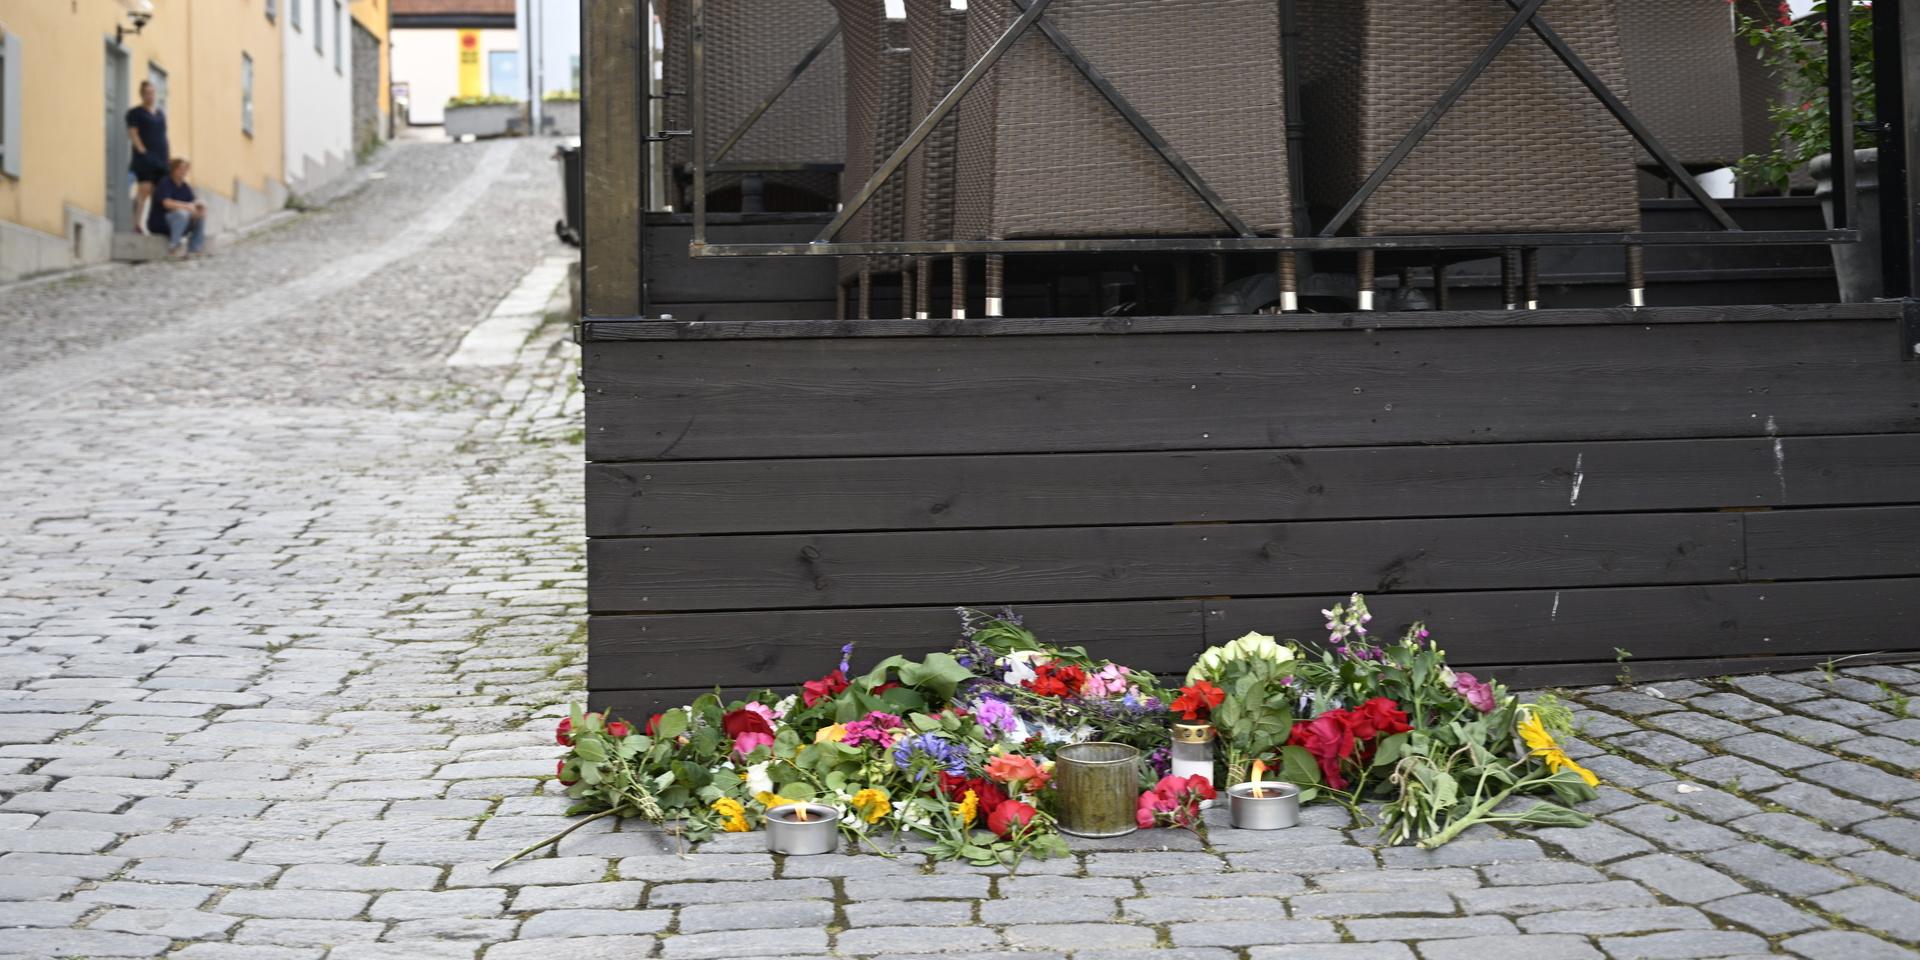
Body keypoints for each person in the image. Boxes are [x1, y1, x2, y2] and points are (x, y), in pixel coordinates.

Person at [126, 81, 170, 234]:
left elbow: (164, 135)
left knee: (158, 193)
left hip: (161, 157)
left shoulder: (160, 114)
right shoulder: (135, 113)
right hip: (145, 158)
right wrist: (142, 151)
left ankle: (155, 225)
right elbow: (133, 133)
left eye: (152, 92)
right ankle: (137, 224)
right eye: (147, 93)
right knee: (144, 190)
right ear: (142, 94)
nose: (150, 96)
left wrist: (167, 158)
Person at [150, 158, 207, 257]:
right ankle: (173, 247)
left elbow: (192, 202)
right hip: (160, 222)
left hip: (180, 222)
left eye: (185, 169)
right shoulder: (165, 183)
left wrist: (199, 208)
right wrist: (186, 206)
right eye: (180, 169)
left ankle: (194, 249)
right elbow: (166, 203)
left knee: (200, 216)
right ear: (173, 169)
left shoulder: (185, 186)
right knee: (182, 214)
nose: (183, 172)